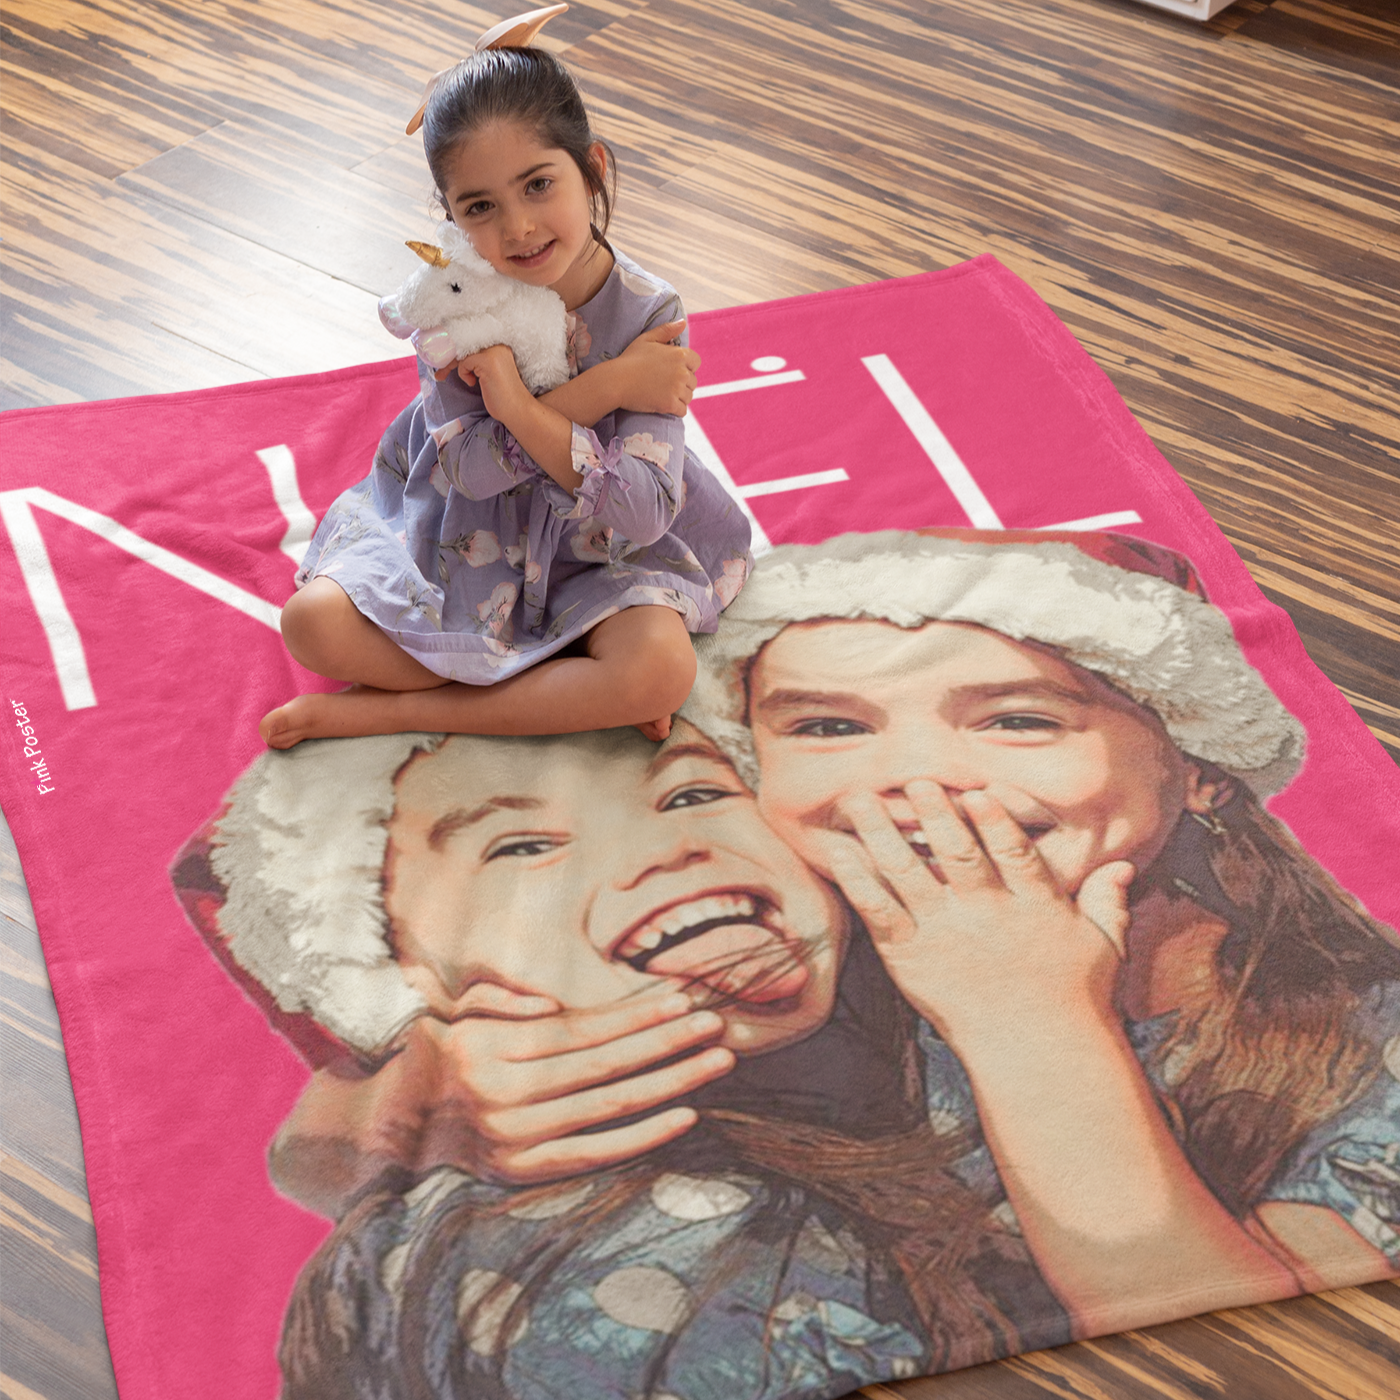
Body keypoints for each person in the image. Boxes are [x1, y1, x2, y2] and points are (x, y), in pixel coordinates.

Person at [179, 724, 1062, 1398]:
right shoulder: (650, 1263)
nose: (669, 847)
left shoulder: (958, 977)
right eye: (522, 848)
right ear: (393, 975)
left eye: (692, 795)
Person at [258, 15, 751, 751]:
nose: (518, 228)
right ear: (450, 219)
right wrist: (610, 385)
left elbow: (643, 516)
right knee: (312, 624)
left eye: (539, 184)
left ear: (594, 169)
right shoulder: (452, 302)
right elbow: (475, 473)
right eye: (480, 207)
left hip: (601, 552)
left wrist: (518, 407)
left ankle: (400, 709)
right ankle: (561, 689)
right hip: (463, 539)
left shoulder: (652, 311)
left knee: (657, 669)